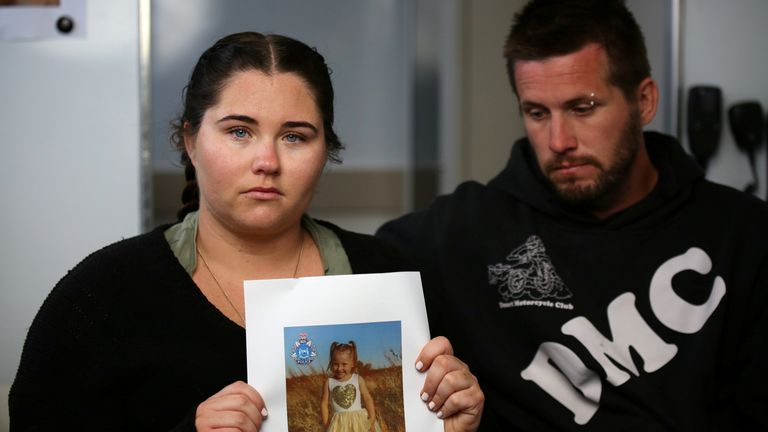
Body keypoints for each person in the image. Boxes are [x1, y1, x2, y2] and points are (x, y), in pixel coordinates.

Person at [10, 32, 484, 432]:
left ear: (326, 152)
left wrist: (456, 421)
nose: (267, 162)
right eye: (239, 131)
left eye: (295, 136)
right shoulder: (101, 296)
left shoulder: (388, 279)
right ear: (191, 141)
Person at [376, 0, 768, 430]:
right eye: (537, 113)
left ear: (644, 100)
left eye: (583, 108)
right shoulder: (465, 231)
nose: (559, 140)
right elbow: (340, 269)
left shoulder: (742, 234)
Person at [321, 341, 381, 432]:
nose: (340, 368)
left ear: (352, 363)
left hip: (359, 422)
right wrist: (326, 424)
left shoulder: (358, 379)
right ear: (331, 363)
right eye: (336, 364)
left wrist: (372, 418)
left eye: (344, 364)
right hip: (339, 425)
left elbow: (367, 398)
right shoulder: (329, 382)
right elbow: (324, 404)